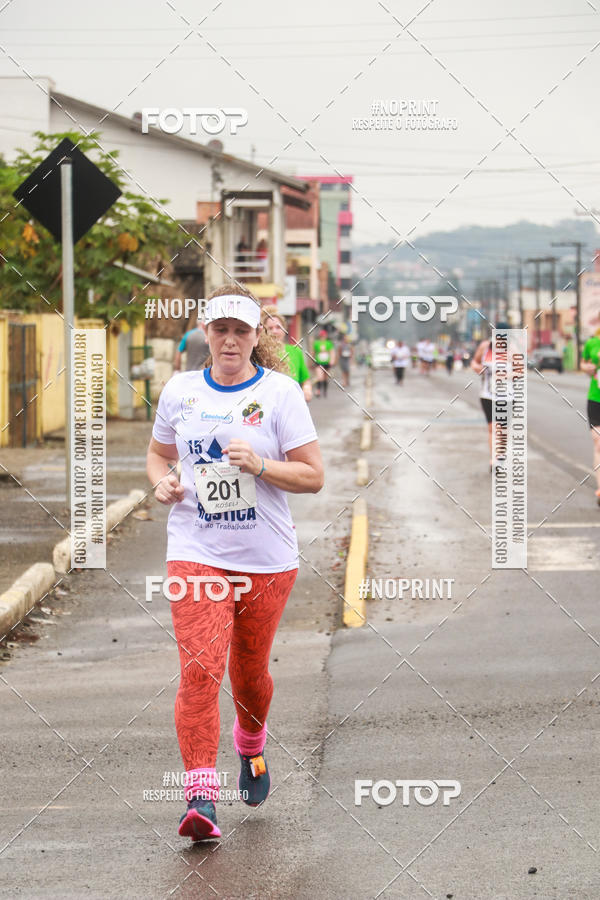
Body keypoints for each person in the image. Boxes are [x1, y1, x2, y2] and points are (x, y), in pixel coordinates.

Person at [147, 284, 324, 842]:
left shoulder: (281, 393)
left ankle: (251, 744)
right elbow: (159, 454)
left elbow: (314, 475)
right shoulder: (179, 391)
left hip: (267, 559)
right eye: (220, 329)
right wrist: (163, 484)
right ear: (206, 332)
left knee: (250, 674)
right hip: (196, 551)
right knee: (201, 669)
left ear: (254, 336)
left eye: (240, 330)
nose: (229, 339)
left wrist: (264, 465)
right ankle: (201, 797)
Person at [261, 304, 313, 402]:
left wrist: (307, 389)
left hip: (292, 403)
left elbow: (305, 379)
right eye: (270, 328)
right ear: (263, 331)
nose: (274, 331)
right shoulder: (259, 353)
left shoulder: (295, 351)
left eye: (278, 327)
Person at [581, 326, 600, 506]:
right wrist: (590, 368)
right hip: (596, 398)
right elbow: (583, 364)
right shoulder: (593, 343)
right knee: (598, 442)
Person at [312, 329, 335, 397]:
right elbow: (313, 352)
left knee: (325, 377)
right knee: (320, 377)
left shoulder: (328, 343)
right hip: (319, 362)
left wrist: (332, 360)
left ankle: (325, 391)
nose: (323, 337)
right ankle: (318, 391)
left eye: (324, 336)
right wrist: (312, 360)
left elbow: (332, 352)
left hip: (326, 362)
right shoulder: (316, 343)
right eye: (321, 336)